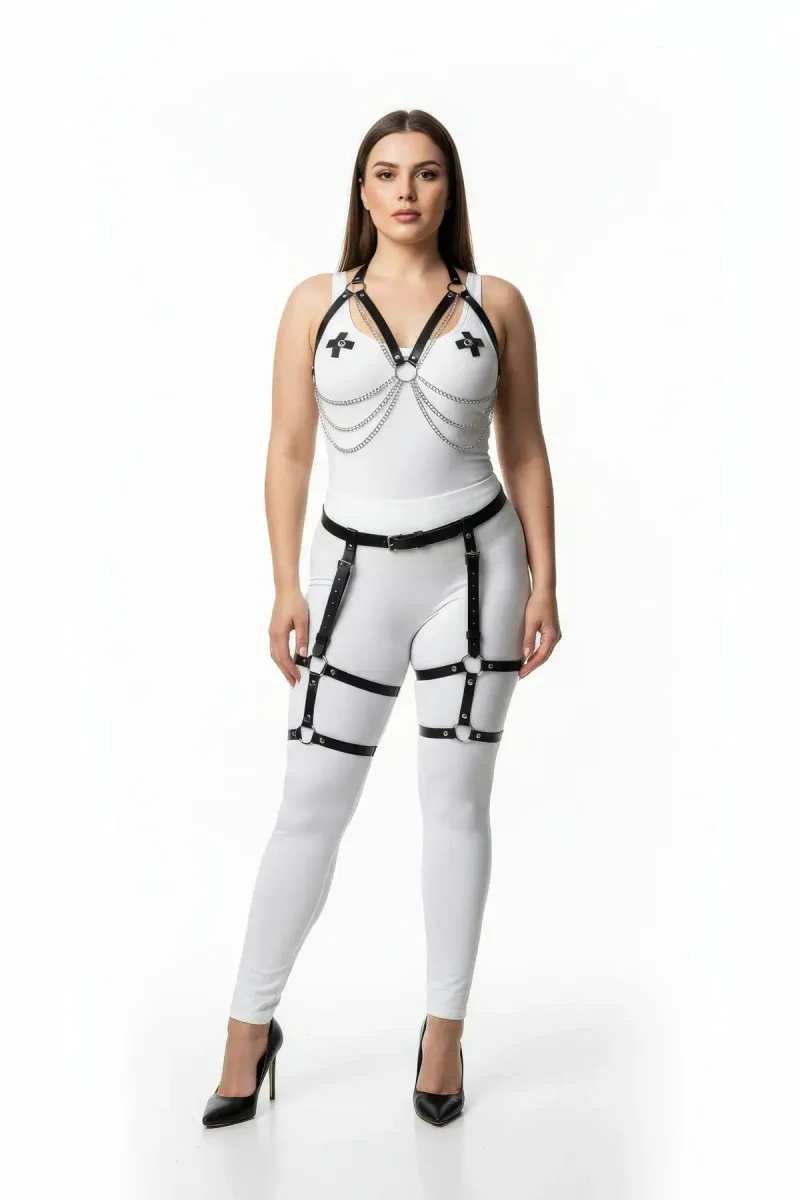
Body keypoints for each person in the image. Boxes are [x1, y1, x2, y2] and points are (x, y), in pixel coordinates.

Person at [202, 108, 561, 1129]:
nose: (407, 191)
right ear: (361, 190)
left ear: (450, 190)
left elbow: (524, 448)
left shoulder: (496, 303)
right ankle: (246, 1030)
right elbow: (287, 451)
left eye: (427, 173)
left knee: (455, 805)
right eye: (387, 173)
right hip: (350, 581)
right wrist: (285, 583)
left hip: (475, 577)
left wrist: (545, 580)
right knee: (308, 808)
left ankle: (443, 1033)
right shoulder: (314, 304)